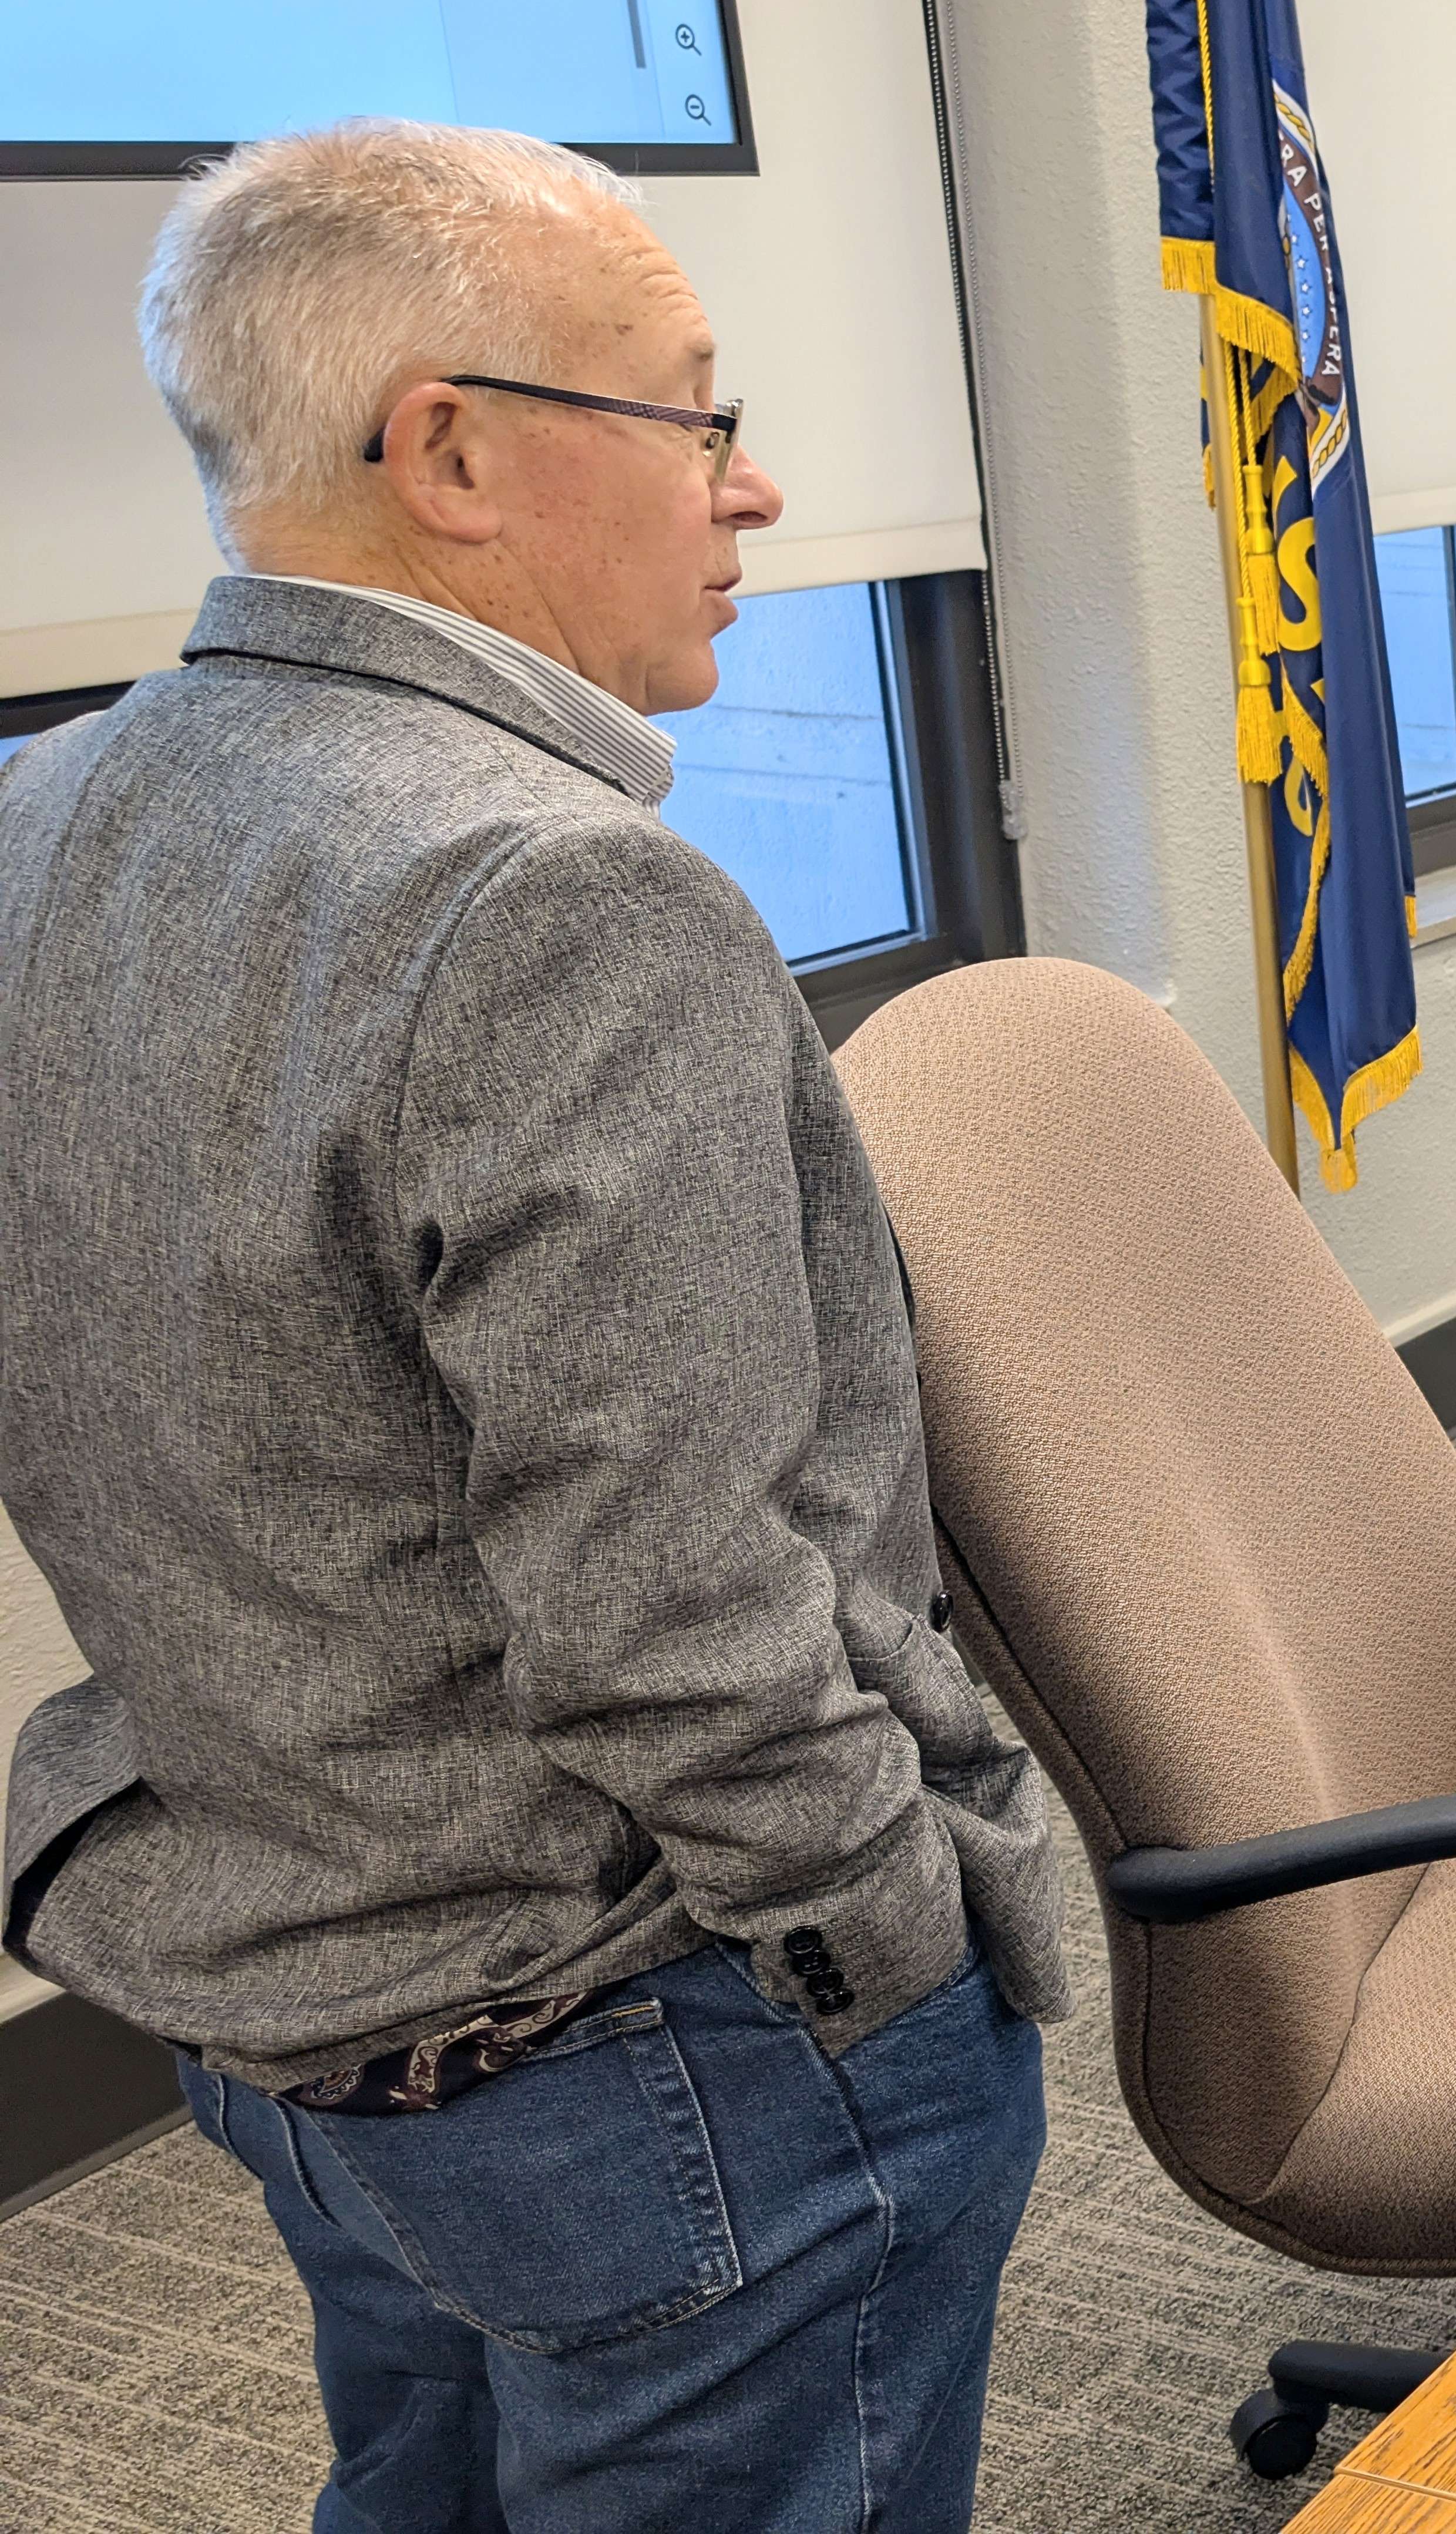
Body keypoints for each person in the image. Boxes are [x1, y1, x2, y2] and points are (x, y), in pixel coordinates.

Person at [0, 122, 1067, 2531]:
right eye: (696, 413)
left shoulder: (46, 817)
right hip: (652, 2043)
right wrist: (892, 1955)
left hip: (285, 1989)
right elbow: (675, 1615)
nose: (754, 484)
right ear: (452, 454)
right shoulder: (555, 894)